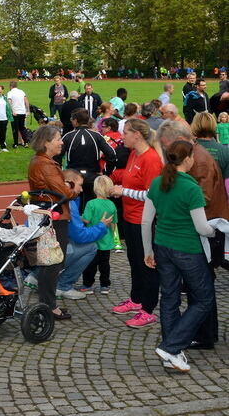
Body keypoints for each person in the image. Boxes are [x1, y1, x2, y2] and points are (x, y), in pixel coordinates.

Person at [141, 140, 215, 373]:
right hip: (188, 250)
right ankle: (172, 346)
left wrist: (147, 251)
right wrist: (216, 229)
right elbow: (202, 228)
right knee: (203, 299)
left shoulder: (157, 182)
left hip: (162, 246)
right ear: (188, 159)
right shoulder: (191, 188)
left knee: (170, 297)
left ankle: (171, 351)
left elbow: (146, 221)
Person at [157, 119, 228, 350]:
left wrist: (175, 206)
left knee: (201, 288)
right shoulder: (194, 159)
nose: (168, 153)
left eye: (167, 146)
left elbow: (203, 200)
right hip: (194, 231)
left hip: (204, 231)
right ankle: (200, 333)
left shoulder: (200, 162)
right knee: (197, 287)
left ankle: (204, 335)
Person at [110, 119, 162, 327]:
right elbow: (129, 177)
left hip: (145, 221)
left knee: (146, 264)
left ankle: (148, 308)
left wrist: (123, 191)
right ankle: (136, 299)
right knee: (134, 261)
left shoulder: (151, 159)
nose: (123, 137)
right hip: (130, 218)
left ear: (137, 135)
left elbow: (152, 194)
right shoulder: (133, 154)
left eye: (126, 133)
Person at [27, 124, 74, 321]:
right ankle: (49, 305)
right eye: (58, 139)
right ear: (47, 143)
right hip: (54, 217)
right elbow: (64, 193)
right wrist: (71, 187)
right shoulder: (46, 165)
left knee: (51, 261)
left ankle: (47, 301)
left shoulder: (41, 162)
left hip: (49, 215)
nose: (62, 142)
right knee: (53, 262)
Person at [53, 170, 112, 299]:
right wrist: (102, 226)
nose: (81, 190)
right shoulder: (69, 203)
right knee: (91, 248)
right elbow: (80, 235)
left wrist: (80, 219)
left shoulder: (51, 195)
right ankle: (63, 285)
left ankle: (36, 276)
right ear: (70, 184)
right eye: (80, 185)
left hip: (41, 249)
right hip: (54, 252)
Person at [62, 108, 117, 211]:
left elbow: (56, 156)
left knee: (73, 210)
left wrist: (62, 174)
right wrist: (106, 172)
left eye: (72, 119)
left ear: (75, 121)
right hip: (92, 178)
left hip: (73, 179)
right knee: (90, 209)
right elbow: (112, 155)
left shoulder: (68, 136)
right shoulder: (96, 136)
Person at [79, 175, 118, 294]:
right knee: (104, 264)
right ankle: (105, 285)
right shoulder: (112, 204)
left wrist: (77, 217)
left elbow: (86, 220)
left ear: (95, 188)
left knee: (90, 263)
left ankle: (87, 284)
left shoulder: (91, 203)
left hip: (92, 238)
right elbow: (114, 223)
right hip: (106, 239)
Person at [7, 81, 29, 148]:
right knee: (22, 128)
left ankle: (16, 143)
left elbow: (9, 102)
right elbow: (26, 101)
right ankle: (25, 142)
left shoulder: (10, 93)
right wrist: (27, 110)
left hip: (15, 113)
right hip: (22, 112)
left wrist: (12, 111)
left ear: (10, 86)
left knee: (15, 129)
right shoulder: (21, 92)